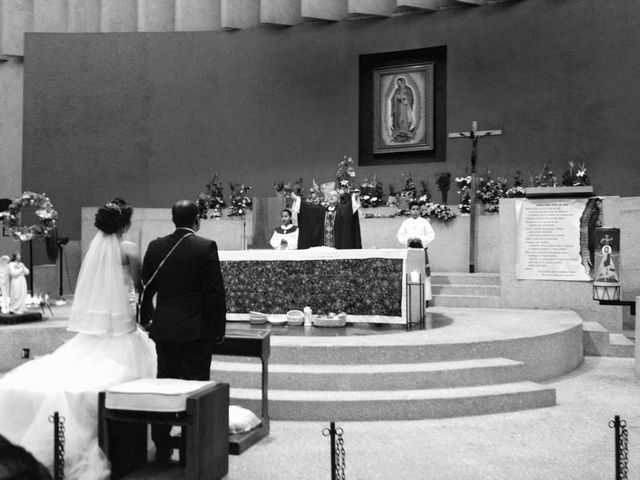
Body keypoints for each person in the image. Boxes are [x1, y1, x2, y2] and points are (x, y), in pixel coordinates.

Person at [0, 198, 157, 480]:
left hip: (101, 319)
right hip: (123, 317)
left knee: (78, 360)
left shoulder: (95, 252)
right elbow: (138, 282)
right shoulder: (129, 249)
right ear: (125, 224)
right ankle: (127, 442)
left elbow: (95, 286)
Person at [140, 199, 227, 465]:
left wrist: (147, 319)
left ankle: (162, 446)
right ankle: (192, 448)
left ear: (172, 218)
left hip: (164, 329)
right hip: (195, 331)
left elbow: (145, 286)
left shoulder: (156, 246)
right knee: (195, 388)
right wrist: (218, 329)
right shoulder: (205, 247)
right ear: (197, 220)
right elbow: (214, 292)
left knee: (165, 385)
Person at [291, 190, 362, 249]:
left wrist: (355, 197)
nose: (331, 196)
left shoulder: (343, 210)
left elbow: (350, 206)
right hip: (323, 246)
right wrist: (297, 199)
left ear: (339, 199)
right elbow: (308, 208)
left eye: (334, 195)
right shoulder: (321, 210)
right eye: (329, 195)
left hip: (339, 245)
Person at [397, 201, 436, 306]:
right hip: (410, 251)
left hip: (421, 250)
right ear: (410, 211)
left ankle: (426, 298)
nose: (415, 211)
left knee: (423, 273)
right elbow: (400, 235)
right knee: (410, 272)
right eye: (413, 209)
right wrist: (407, 239)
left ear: (420, 210)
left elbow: (431, 235)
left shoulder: (424, 222)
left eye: (417, 209)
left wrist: (421, 239)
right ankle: (411, 296)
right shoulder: (406, 223)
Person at [390, 76, 415, 143]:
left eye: (400, 83)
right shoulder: (397, 90)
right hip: (398, 106)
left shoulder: (408, 89)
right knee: (398, 118)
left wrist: (406, 98)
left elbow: (411, 98)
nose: (399, 84)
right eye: (398, 83)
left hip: (405, 107)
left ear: (403, 82)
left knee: (404, 118)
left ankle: (405, 130)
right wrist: (396, 98)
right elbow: (392, 99)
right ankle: (398, 130)